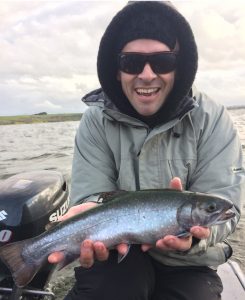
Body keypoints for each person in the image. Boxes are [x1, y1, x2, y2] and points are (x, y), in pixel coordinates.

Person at [48, 1, 245, 299]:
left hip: (189, 262)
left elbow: (227, 208)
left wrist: (195, 240)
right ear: (117, 70)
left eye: (163, 61)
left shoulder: (214, 119)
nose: (147, 74)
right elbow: (91, 196)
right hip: (114, 253)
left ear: (180, 67)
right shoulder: (94, 121)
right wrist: (90, 216)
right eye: (132, 62)